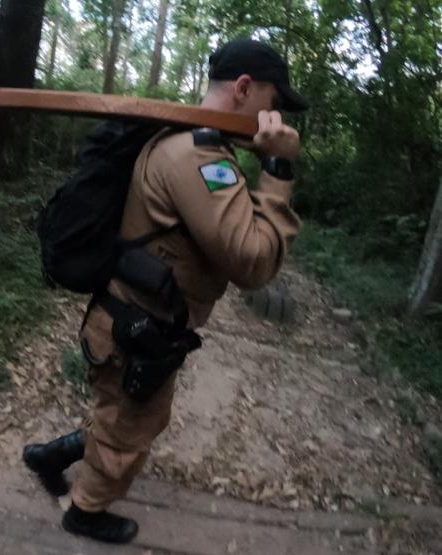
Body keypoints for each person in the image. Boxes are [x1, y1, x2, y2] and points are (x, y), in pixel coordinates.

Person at [23, 38, 307, 544]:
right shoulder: (198, 156)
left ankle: (52, 455)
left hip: (138, 325)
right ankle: (84, 512)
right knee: (128, 428)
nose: (276, 114)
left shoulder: (196, 144)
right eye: (274, 99)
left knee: (130, 418)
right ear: (244, 88)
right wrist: (279, 170)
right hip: (135, 330)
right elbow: (255, 261)